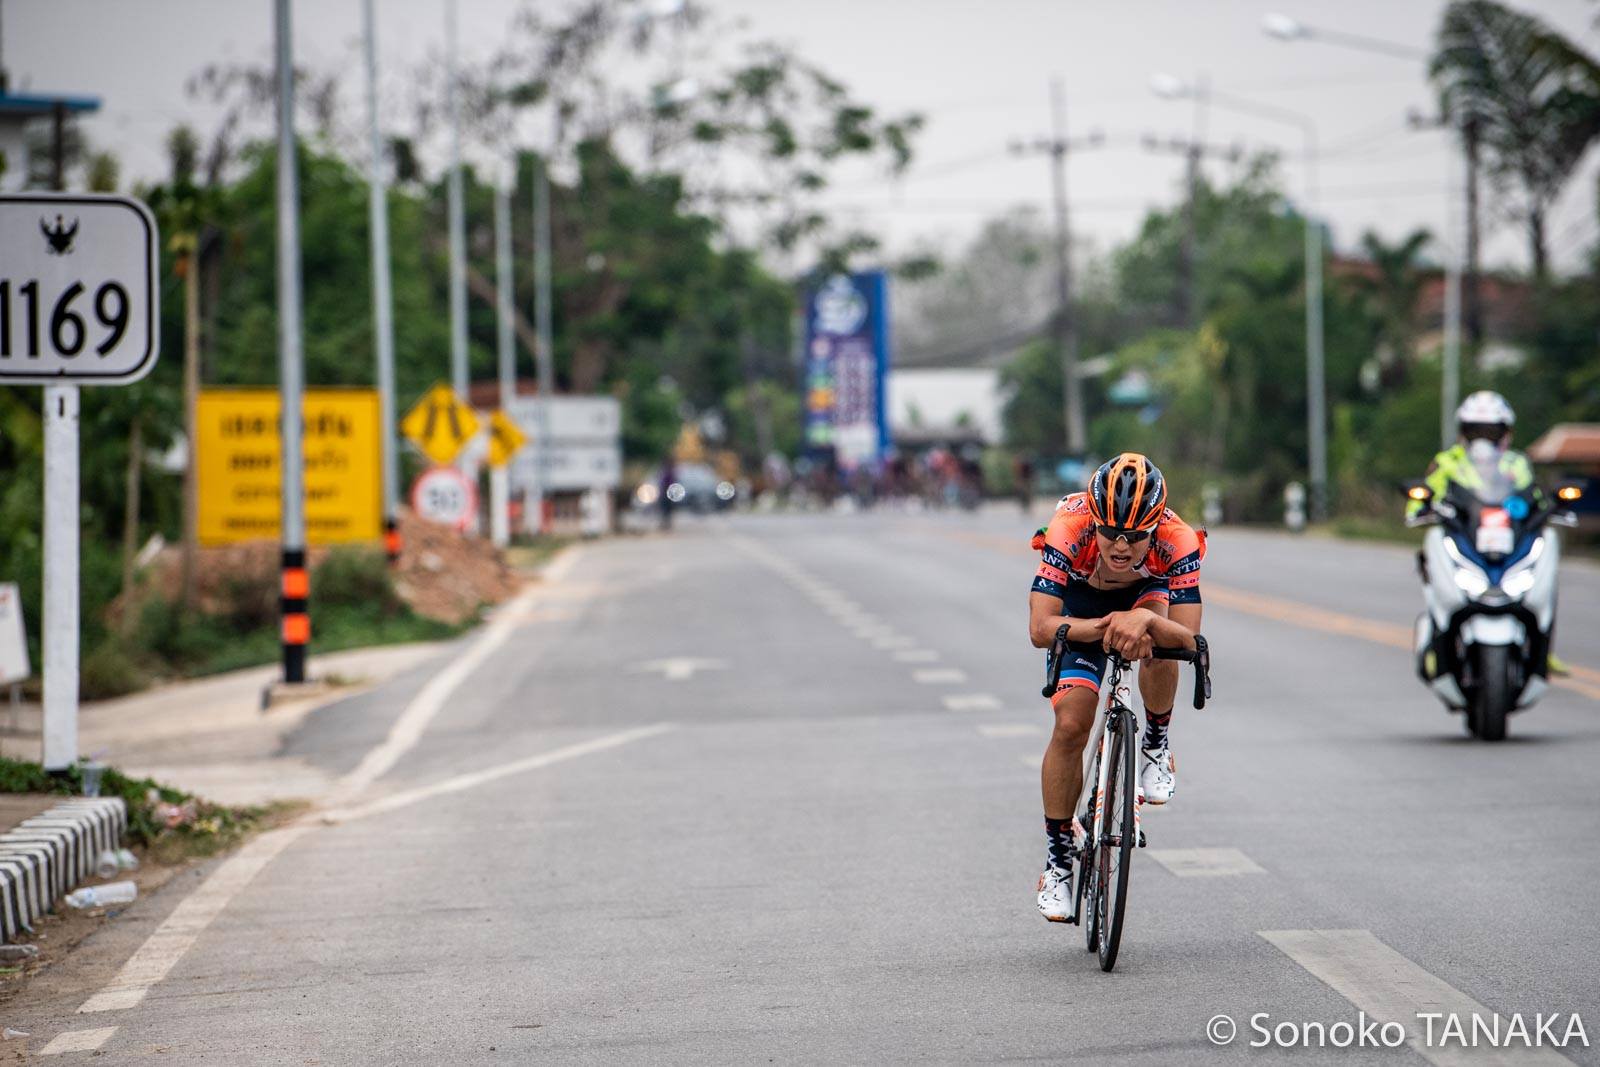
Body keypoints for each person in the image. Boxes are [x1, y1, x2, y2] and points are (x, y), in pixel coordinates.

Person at [1027, 453, 1205, 922]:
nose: (1121, 546)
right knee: (1072, 723)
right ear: (1094, 521)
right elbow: (1041, 626)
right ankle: (1059, 859)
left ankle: (1155, 743)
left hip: (1145, 599)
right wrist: (1103, 625)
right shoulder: (1070, 525)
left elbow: (1188, 638)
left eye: (1135, 536)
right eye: (1110, 533)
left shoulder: (1178, 539)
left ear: (1156, 528)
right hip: (1082, 604)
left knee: (1159, 643)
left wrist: (1144, 618)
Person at [1407, 390, 1566, 675]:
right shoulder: (1448, 462)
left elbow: (1534, 499)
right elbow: (1422, 497)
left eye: (1490, 431)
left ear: (1505, 433)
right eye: (1476, 430)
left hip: (1506, 540)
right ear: (1463, 432)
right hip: (1464, 535)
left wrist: (1547, 509)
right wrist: (1421, 508)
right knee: (1433, 556)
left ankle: (1542, 646)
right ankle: (1436, 641)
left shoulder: (1516, 464)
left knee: (1546, 556)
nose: (1483, 438)